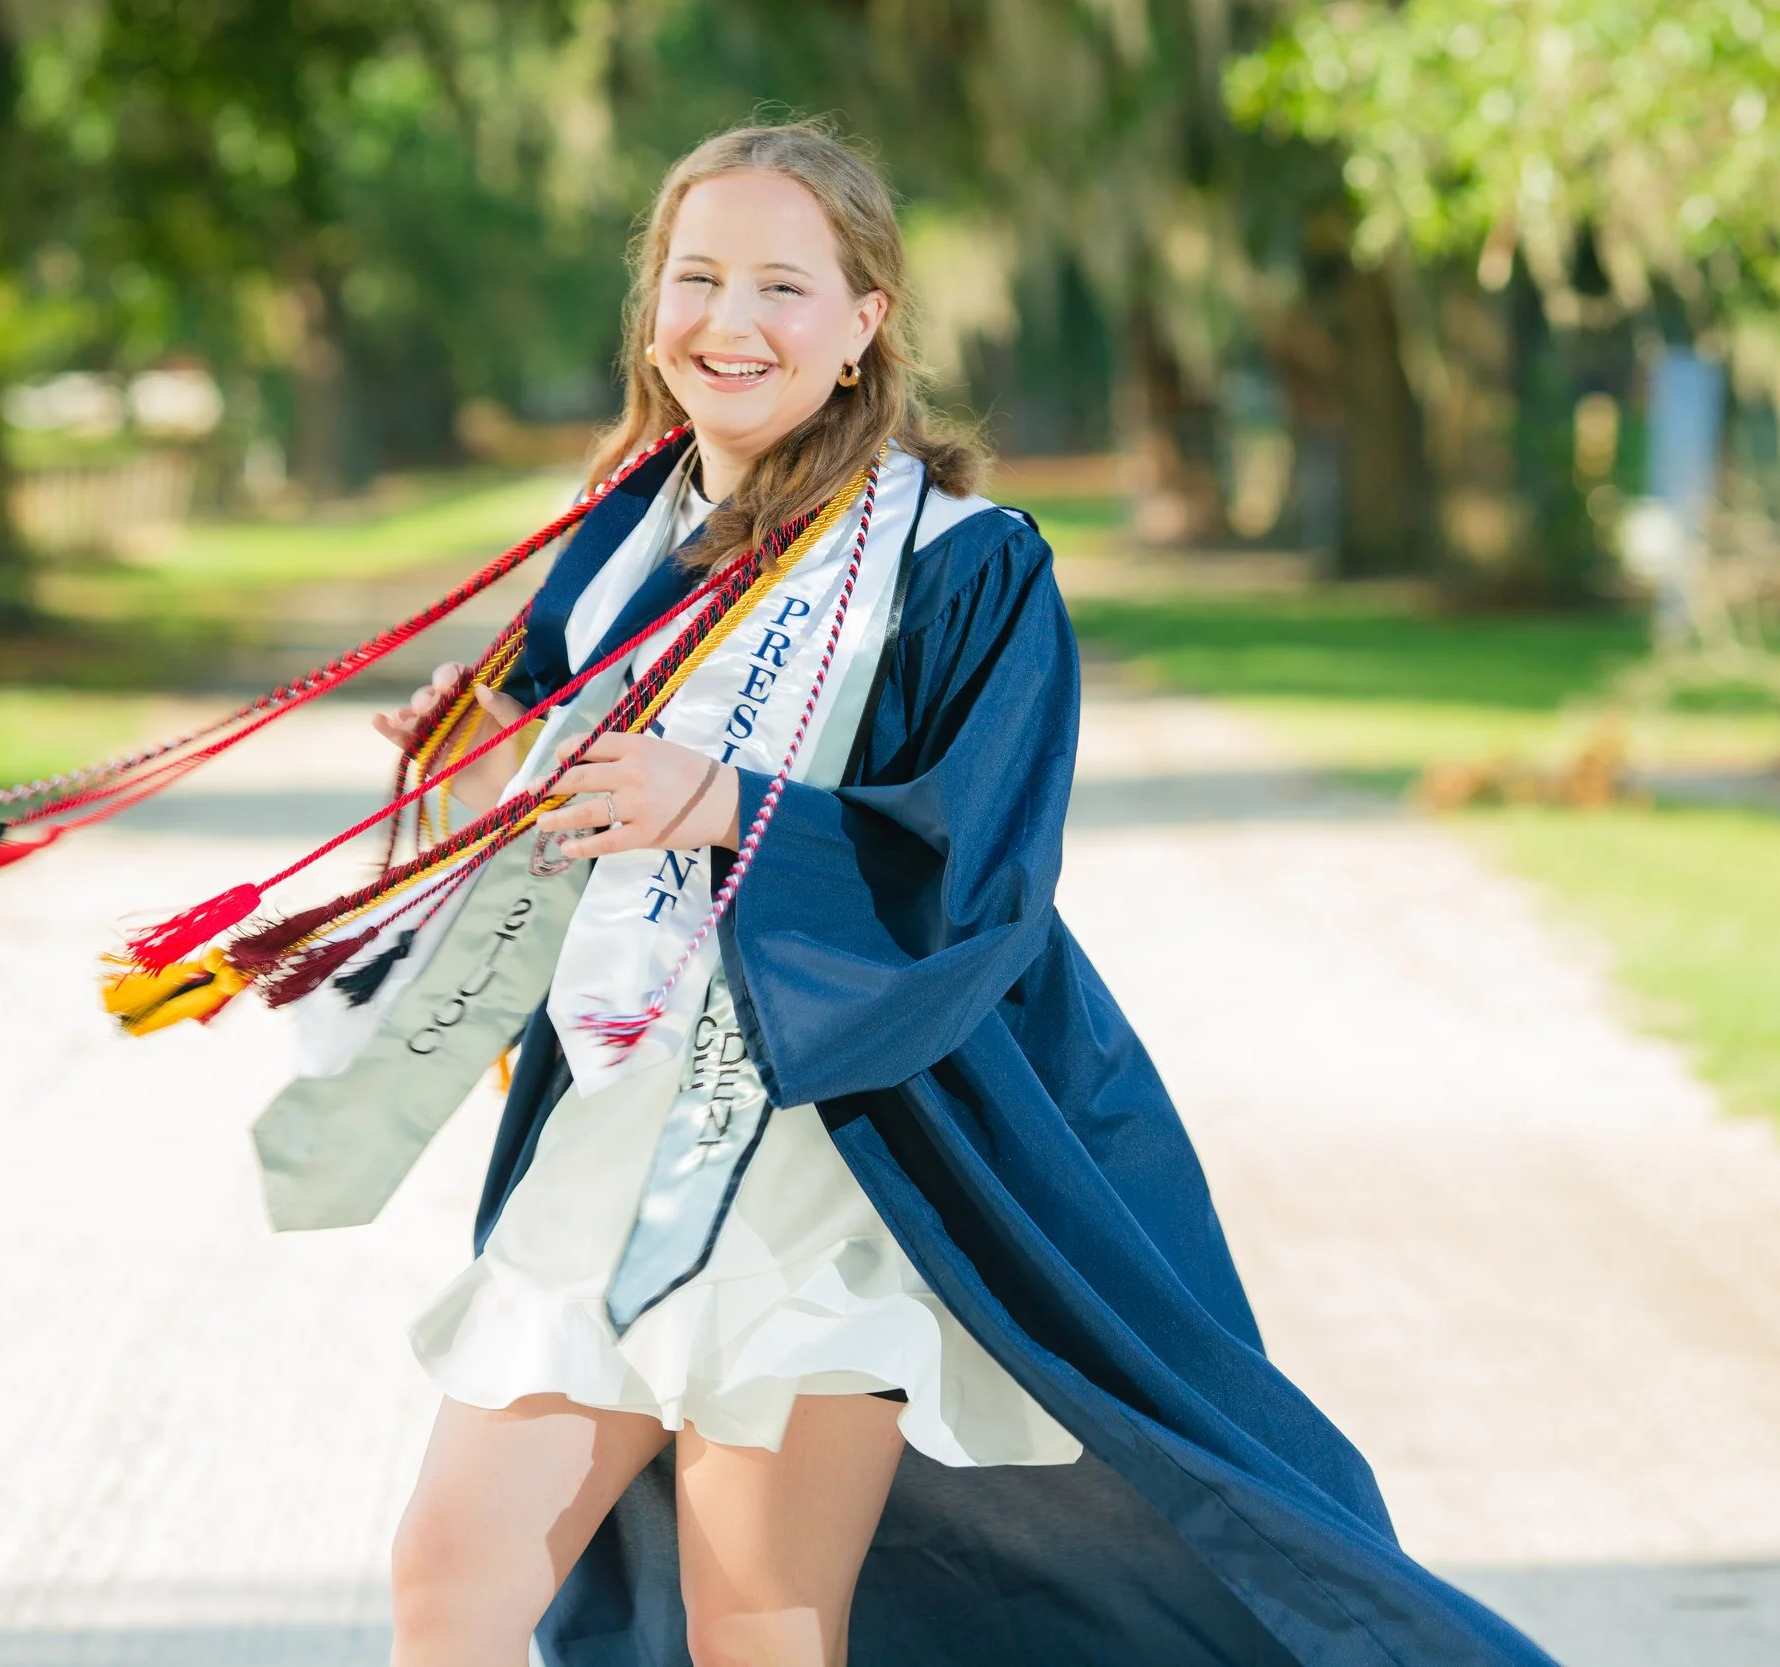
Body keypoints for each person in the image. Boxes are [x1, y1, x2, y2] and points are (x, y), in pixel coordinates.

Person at [364, 121, 1561, 1667]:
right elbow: (550, 791)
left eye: (784, 286)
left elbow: (972, 872)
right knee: (449, 1578)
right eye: (698, 276)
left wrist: (723, 803)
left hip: (830, 1165)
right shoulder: (615, 545)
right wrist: (475, 754)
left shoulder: (963, 565)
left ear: (865, 324)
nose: (731, 323)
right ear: (649, 306)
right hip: (619, 1138)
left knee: (759, 1617)